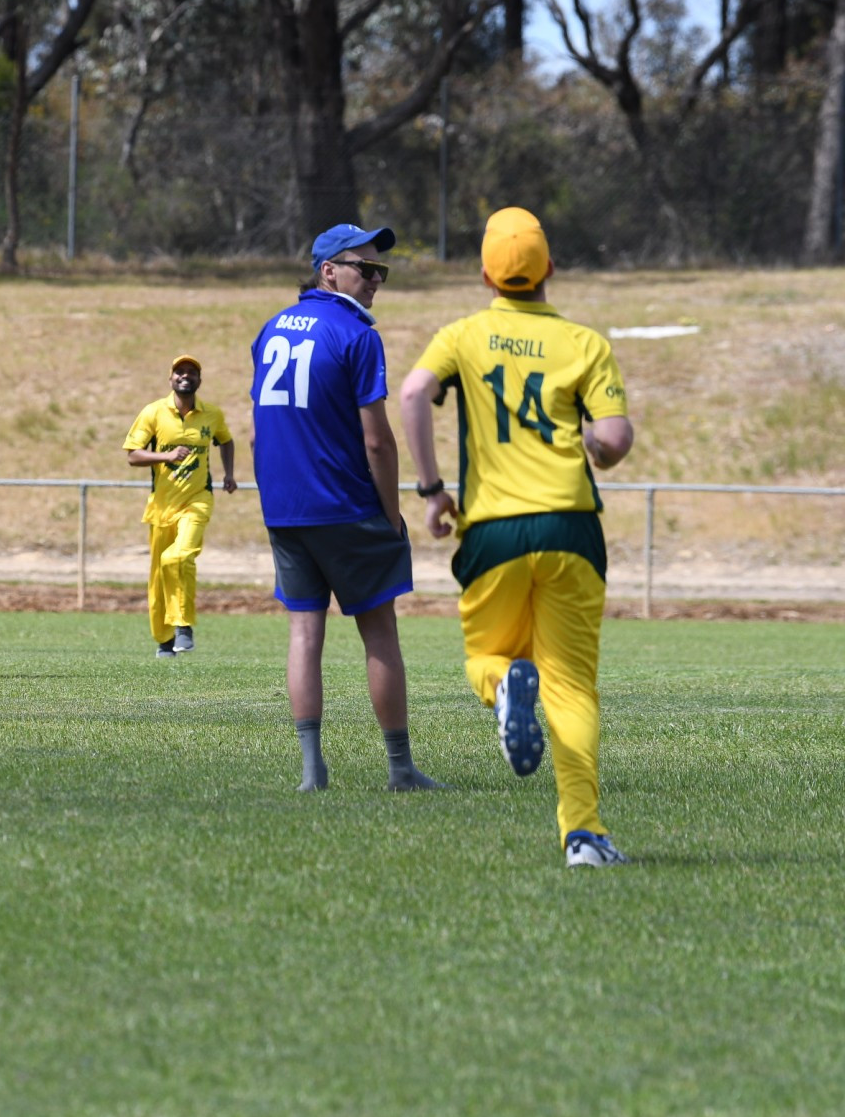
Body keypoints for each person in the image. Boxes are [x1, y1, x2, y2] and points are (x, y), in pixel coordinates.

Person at [399, 207, 634, 867]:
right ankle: (584, 834)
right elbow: (613, 439)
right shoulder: (585, 343)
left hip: (492, 530)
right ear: (550, 270)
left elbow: (414, 393)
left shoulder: (463, 335)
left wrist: (431, 489)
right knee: (572, 686)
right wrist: (596, 443)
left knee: (486, 657)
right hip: (569, 525)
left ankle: (503, 685)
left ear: (485, 275)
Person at [250, 224, 441, 792]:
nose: (377, 280)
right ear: (328, 271)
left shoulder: (270, 329)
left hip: (286, 509)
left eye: (382, 270)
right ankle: (400, 769)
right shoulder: (357, 334)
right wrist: (391, 514)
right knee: (379, 632)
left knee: (304, 632)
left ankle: (312, 771)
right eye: (366, 268)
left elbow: (261, 434)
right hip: (346, 505)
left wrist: (274, 501)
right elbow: (377, 441)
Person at [123, 355, 237, 655]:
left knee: (179, 557)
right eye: (179, 372)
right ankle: (164, 641)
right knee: (160, 574)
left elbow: (226, 440)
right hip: (161, 508)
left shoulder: (211, 414)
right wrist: (166, 456)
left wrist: (229, 475)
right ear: (170, 378)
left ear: (200, 379)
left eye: (192, 372)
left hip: (197, 500)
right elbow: (133, 455)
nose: (185, 376)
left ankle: (183, 624)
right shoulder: (153, 412)